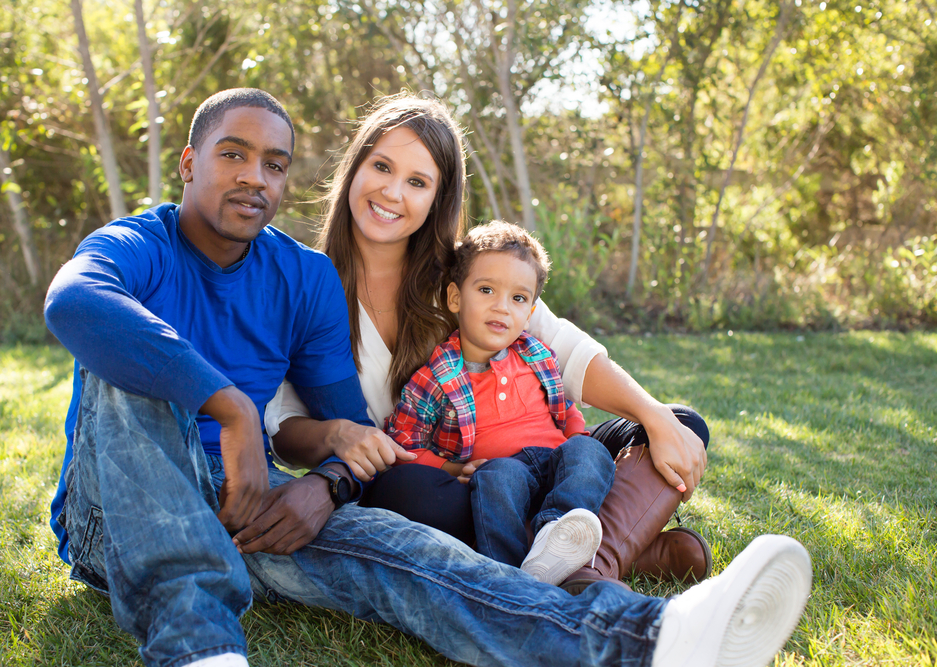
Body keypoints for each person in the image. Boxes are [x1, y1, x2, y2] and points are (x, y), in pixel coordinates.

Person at [45, 87, 812, 667]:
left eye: (272, 164)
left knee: (411, 558)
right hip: (120, 511)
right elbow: (75, 300)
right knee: (134, 366)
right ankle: (200, 645)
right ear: (188, 162)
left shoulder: (311, 276)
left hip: (253, 503)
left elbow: (356, 432)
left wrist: (326, 482)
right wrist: (235, 409)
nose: (254, 177)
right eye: (232, 155)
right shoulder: (139, 247)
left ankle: (656, 635)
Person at [268, 93, 712, 590]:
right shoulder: (309, 283)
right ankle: (618, 552)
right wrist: (334, 437)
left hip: (544, 457)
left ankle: (587, 566)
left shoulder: (468, 272)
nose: (393, 192)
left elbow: (565, 351)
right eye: (382, 167)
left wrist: (652, 416)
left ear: (438, 198)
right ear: (355, 167)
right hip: (451, 479)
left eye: (417, 182)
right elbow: (284, 422)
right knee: (400, 491)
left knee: (679, 425)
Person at [385, 221, 614, 585]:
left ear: (530, 311)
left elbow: (565, 407)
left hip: (555, 461)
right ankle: (509, 575)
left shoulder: (537, 355)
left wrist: (576, 438)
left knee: (591, 451)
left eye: (518, 298)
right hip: (504, 469)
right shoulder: (436, 376)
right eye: (487, 290)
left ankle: (558, 531)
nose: (502, 308)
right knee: (495, 479)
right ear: (455, 298)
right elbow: (402, 440)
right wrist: (447, 468)